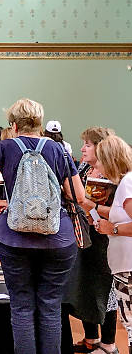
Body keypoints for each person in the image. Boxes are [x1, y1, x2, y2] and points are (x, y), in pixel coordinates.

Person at [0, 98, 86, 354]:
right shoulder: (59, 150)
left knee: (21, 305)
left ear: (14, 125)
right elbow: (79, 196)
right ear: (40, 124)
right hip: (57, 237)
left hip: (14, 235)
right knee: (50, 306)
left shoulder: (5, 148)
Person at [64, 127, 118, 354]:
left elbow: (119, 213)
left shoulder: (115, 175)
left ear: (102, 147)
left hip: (106, 240)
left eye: (88, 144)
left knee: (106, 290)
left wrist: (90, 206)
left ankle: (109, 344)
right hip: (83, 235)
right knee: (83, 284)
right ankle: (91, 338)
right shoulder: (84, 169)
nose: (83, 148)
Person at [93, 135, 132, 354]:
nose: (97, 166)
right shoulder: (126, 182)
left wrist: (113, 229)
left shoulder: (127, 183)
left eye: (100, 160)